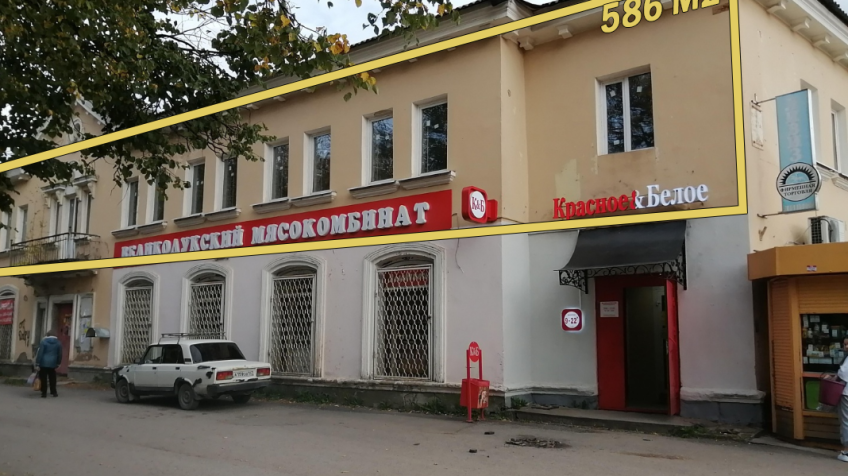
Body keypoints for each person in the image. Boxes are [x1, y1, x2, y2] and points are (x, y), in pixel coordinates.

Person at [35, 330, 62, 398]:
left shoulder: (43, 342)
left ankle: (44, 393)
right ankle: (54, 392)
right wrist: (58, 363)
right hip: (53, 363)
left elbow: (40, 353)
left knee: (43, 378)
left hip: (43, 362)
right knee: (52, 378)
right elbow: (60, 354)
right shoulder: (58, 343)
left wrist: (37, 363)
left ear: (47, 335)